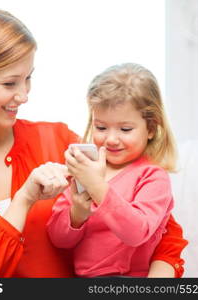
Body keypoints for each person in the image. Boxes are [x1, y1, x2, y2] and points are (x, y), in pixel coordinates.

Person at [0, 9, 187, 278]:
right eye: (10, 83)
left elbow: (158, 227)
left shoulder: (57, 140)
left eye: (28, 78)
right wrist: (23, 200)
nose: (24, 95)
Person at [47, 63, 185, 277]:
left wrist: (98, 187)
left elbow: (137, 233)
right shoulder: (85, 168)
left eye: (125, 129)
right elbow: (58, 240)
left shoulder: (152, 177)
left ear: (150, 128)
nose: (111, 139)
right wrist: (76, 215)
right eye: (101, 127)